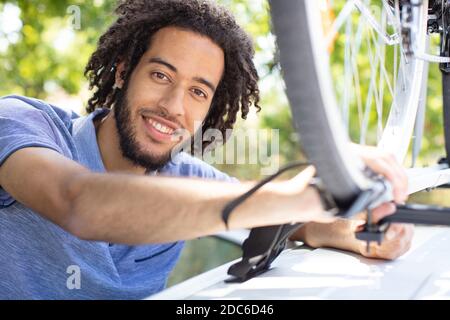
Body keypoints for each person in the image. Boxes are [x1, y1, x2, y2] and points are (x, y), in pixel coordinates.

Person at [0, 0, 412, 299]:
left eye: (198, 91)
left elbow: (292, 222)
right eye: (161, 75)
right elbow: (80, 203)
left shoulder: (188, 176)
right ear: (124, 70)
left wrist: (363, 235)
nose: (174, 107)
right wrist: (303, 191)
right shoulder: (22, 122)